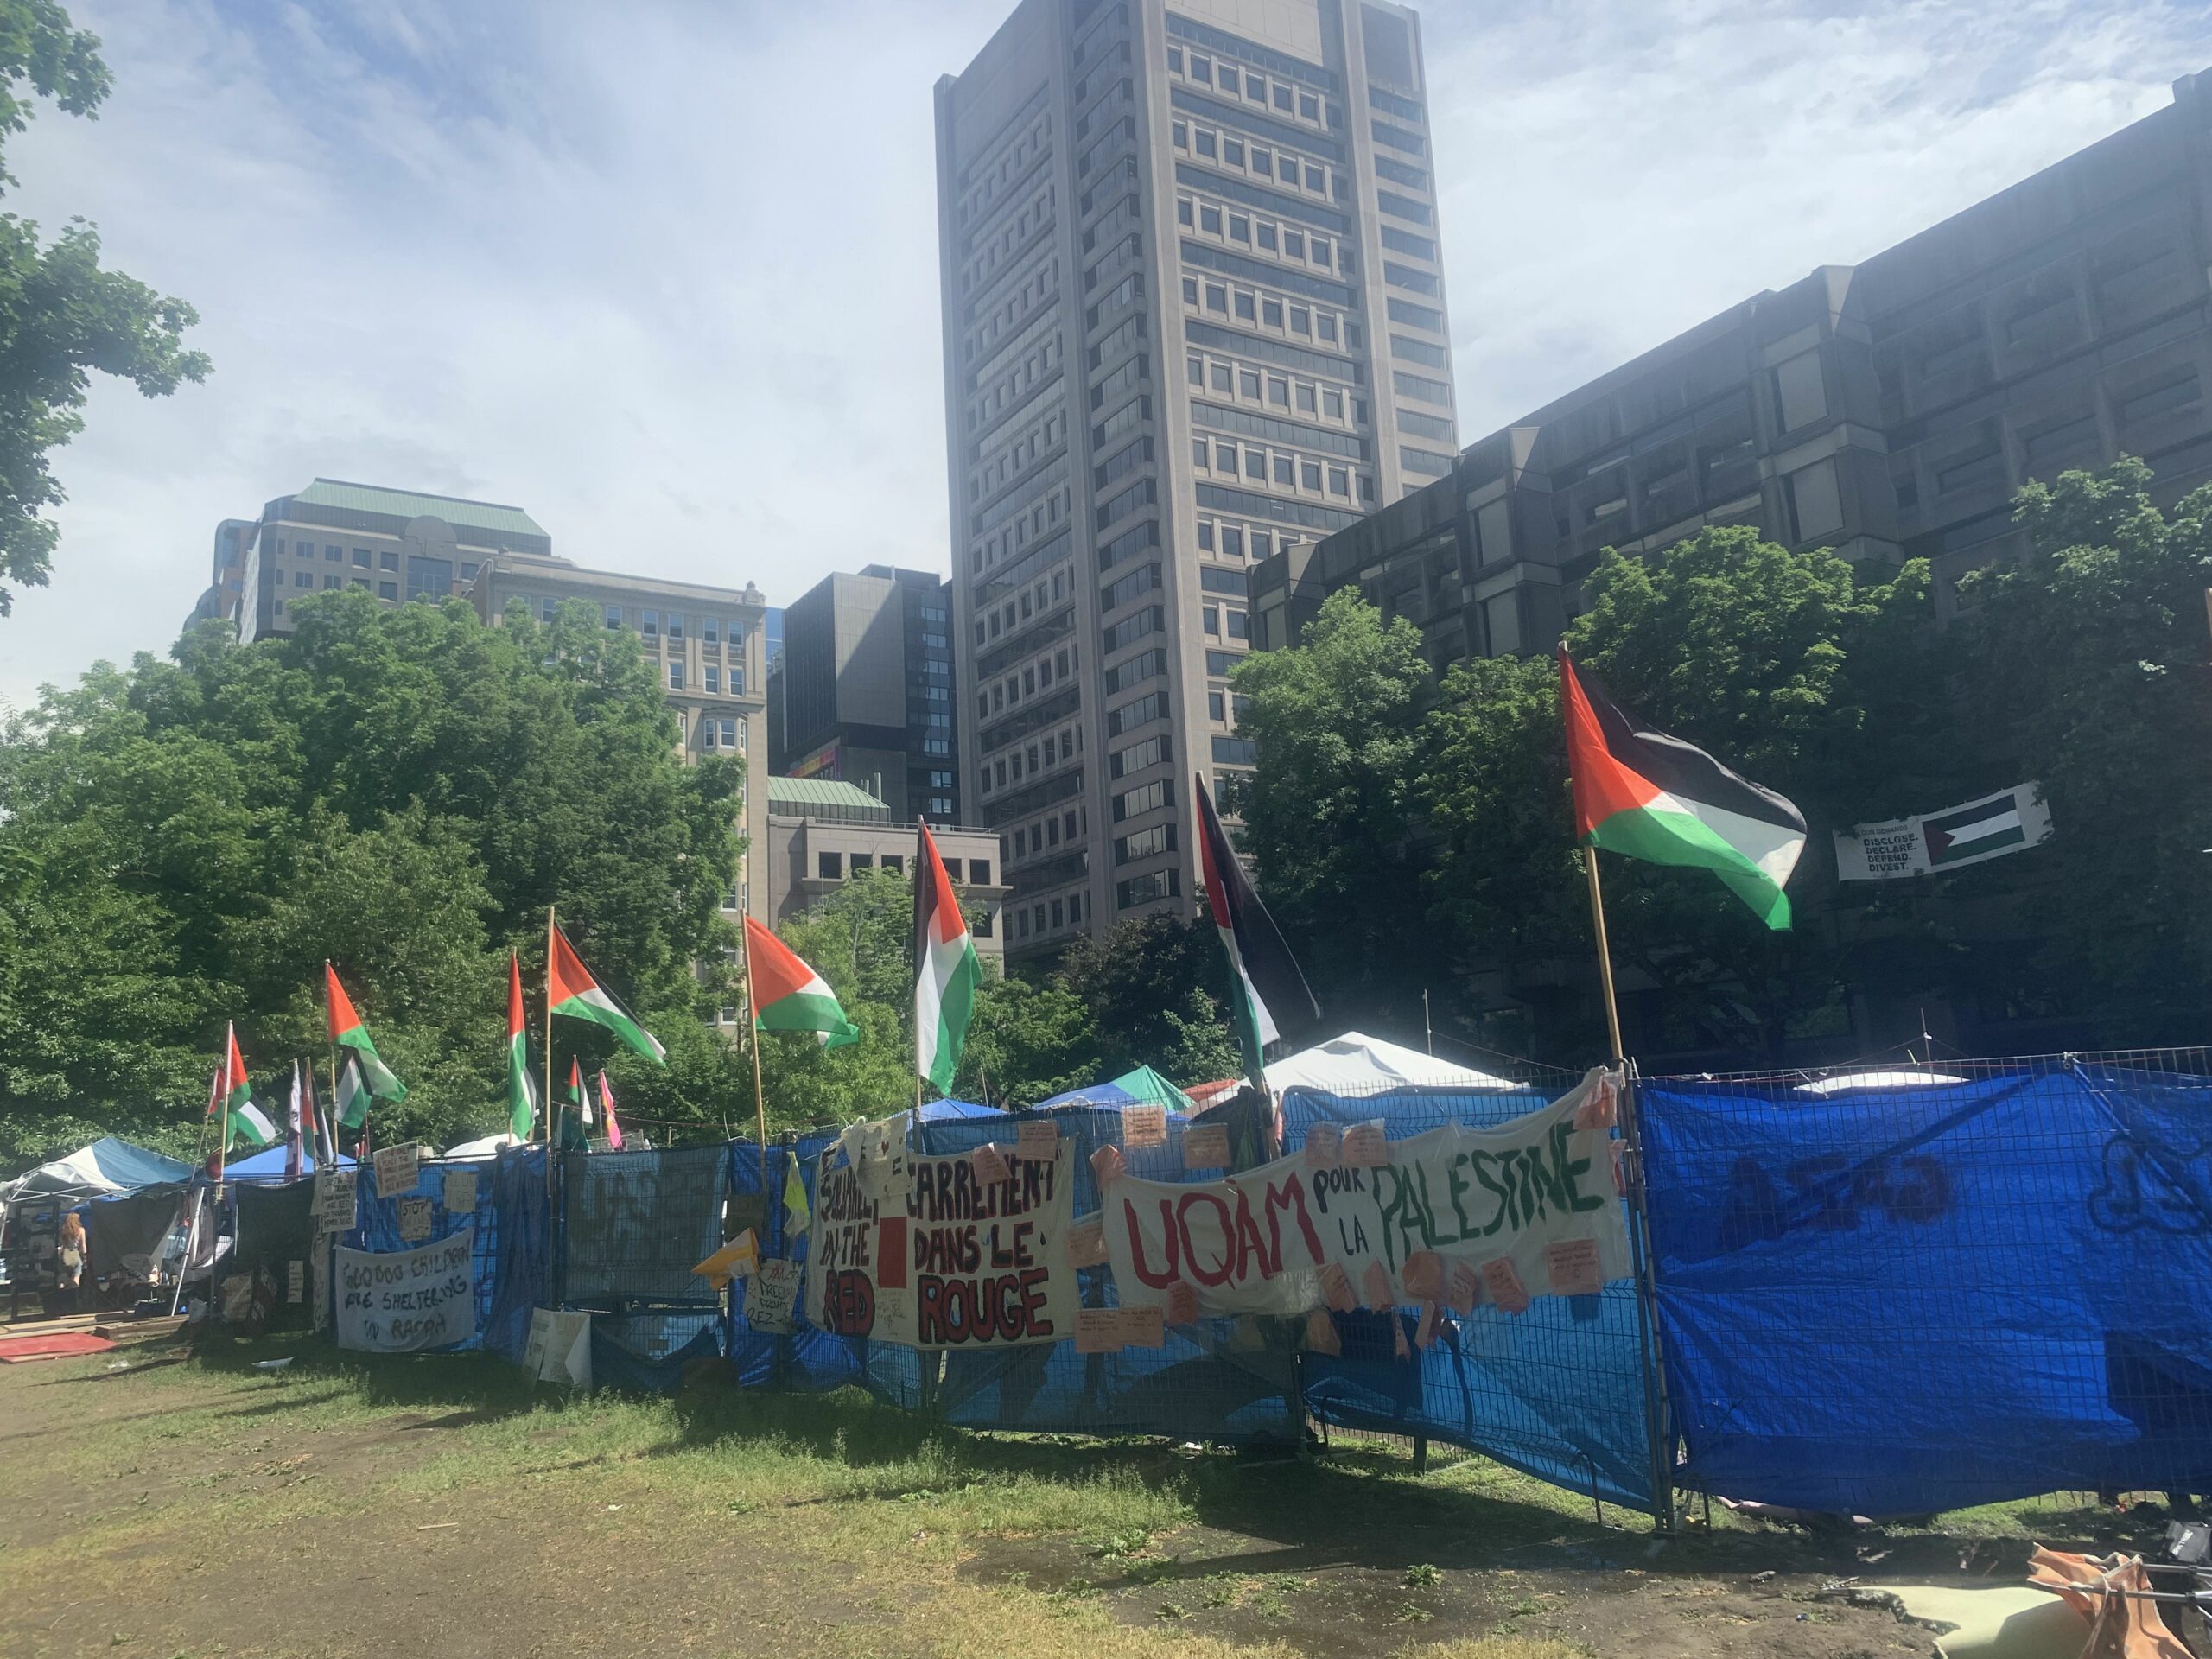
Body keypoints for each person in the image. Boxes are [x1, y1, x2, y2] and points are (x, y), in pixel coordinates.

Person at [55, 1212, 86, 1314]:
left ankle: (61, 1303)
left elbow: (60, 1246)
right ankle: (74, 1304)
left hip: (65, 1255)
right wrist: (84, 1257)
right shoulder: (81, 1230)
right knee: (75, 1279)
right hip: (75, 1254)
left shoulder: (63, 1231)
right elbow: (83, 1247)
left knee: (63, 1279)